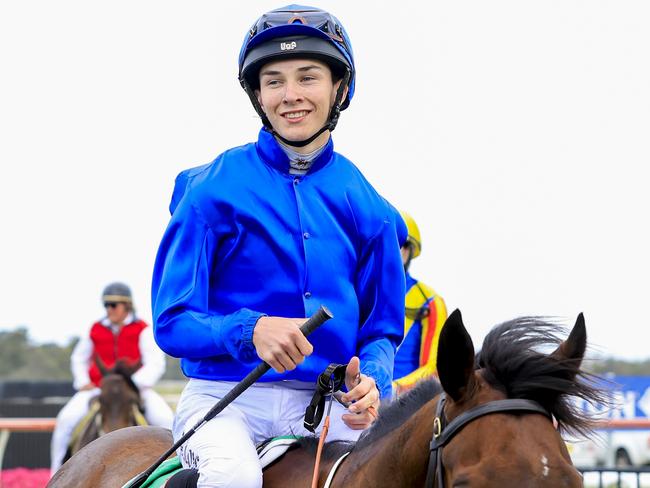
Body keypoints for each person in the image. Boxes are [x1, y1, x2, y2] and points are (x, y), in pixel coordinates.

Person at [151, 5, 405, 487]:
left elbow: (383, 329)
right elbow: (171, 323)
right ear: (258, 96)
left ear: (340, 90)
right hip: (227, 399)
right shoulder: (210, 192)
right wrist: (252, 330)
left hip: (332, 404)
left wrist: (372, 380)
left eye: (307, 78)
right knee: (233, 475)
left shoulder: (371, 208)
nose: (291, 96)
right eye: (274, 81)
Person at [50, 282, 173, 474]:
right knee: (65, 420)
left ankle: (175, 471)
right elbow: (78, 358)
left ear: (127, 306)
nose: (109, 309)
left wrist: (132, 384)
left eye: (114, 305)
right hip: (99, 389)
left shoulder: (143, 329)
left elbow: (155, 363)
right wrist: (83, 382)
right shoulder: (95, 329)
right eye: (106, 305)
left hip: (135, 389)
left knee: (167, 420)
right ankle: (56, 474)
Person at [392, 211, 448, 395]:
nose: (390, 251)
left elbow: (432, 367)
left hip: (400, 406)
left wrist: (393, 388)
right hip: (352, 398)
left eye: (398, 245)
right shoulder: (358, 292)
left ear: (408, 251)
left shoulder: (430, 301)